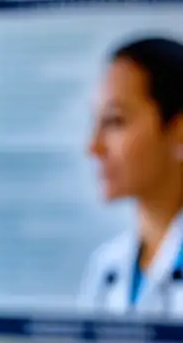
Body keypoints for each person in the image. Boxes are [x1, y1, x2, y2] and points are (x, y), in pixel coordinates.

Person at [78, 37, 183, 317]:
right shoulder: (106, 267)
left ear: (179, 130)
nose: (93, 146)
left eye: (115, 121)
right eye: (96, 122)